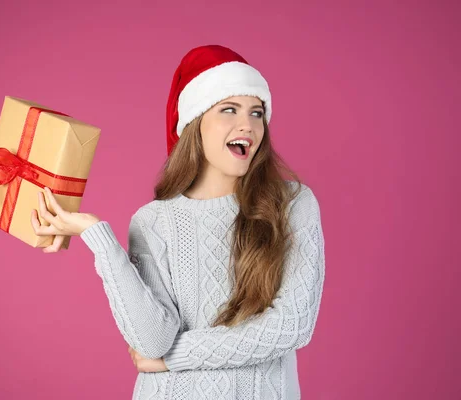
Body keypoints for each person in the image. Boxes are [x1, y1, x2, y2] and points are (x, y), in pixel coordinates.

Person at [31, 44, 326, 400]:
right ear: (194, 123)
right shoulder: (154, 220)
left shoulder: (292, 204)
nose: (247, 125)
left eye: (257, 112)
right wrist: (98, 239)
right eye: (228, 109)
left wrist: (178, 356)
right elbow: (153, 341)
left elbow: (291, 327)